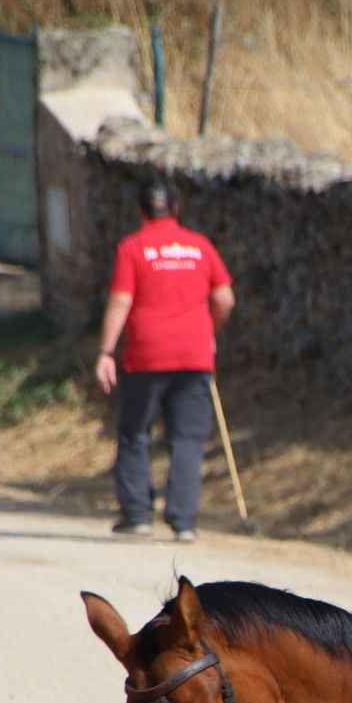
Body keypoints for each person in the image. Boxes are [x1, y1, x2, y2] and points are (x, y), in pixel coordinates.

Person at [95, 179, 235, 541]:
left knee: (134, 433)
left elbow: (121, 301)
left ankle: (138, 514)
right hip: (194, 355)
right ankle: (184, 522)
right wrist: (210, 334)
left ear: (141, 211)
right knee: (188, 439)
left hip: (145, 355)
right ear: (175, 208)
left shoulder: (133, 247)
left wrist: (106, 351)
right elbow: (225, 298)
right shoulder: (200, 247)